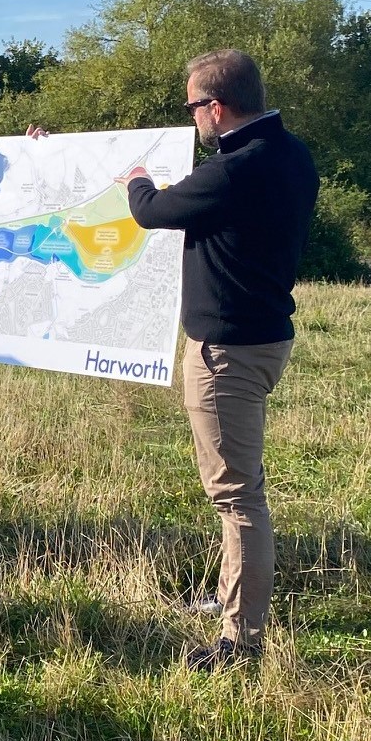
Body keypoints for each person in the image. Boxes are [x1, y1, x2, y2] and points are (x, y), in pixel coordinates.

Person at [126, 49, 318, 670]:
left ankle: (241, 638)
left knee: (237, 495)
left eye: (193, 107)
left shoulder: (235, 169)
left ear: (216, 106)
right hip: (263, 338)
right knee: (237, 487)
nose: (194, 120)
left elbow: (152, 211)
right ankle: (232, 598)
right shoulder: (292, 155)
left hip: (225, 352)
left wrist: (135, 179)